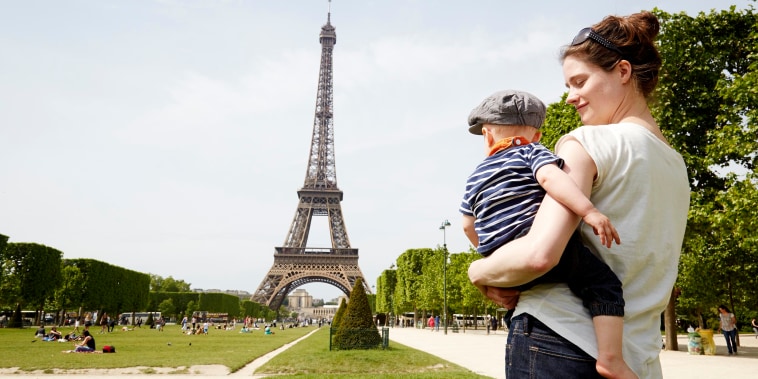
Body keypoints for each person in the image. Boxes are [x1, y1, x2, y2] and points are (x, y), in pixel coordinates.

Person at [467, 11, 689, 379]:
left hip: (559, 339)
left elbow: (539, 255)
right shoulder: (676, 165)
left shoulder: (585, 143)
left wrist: (477, 272)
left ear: (622, 72)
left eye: (579, 82)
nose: (570, 97)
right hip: (637, 357)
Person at [461, 89, 630, 378]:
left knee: (514, 304)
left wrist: (493, 255)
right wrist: (589, 211)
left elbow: (467, 225)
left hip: (503, 255)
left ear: (487, 136)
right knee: (604, 285)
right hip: (537, 241)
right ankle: (611, 358)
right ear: (537, 135)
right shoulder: (530, 151)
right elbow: (552, 180)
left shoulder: (475, 175)